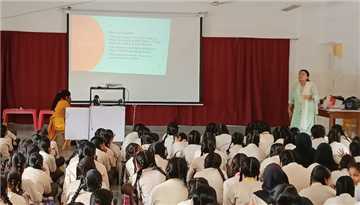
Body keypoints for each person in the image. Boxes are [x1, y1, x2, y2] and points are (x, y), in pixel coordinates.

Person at [288, 69, 319, 134]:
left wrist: (309, 96)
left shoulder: (311, 86)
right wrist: (289, 108)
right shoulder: (295, 86)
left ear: (307, 77)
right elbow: (291, 98)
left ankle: (307, 137)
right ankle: (295, 136)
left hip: (308, 111)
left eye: (303, 74)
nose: (300, 76)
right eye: (299, 74)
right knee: (296, 125)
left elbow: (316, 96)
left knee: (307, 126)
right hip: (297, 110)